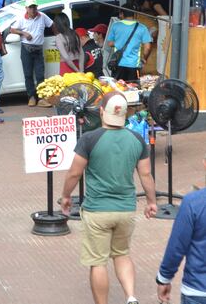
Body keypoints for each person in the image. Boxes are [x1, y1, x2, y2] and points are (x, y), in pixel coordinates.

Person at [61, 92, 157, 304]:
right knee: (122, 254)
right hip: (125, 210)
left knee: (98, 262)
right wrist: (151, 202)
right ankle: (131, 297)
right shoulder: (137, 139)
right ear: (125, 113)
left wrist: (66, 196)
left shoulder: (89, 139)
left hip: (97, 211)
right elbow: (145, 174)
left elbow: (74, 173)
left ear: (101, 111)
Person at [156, 154, 206, 304]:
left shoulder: (192, 202)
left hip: (197, 289)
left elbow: (177, 245)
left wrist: (164, 278)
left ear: (205, 164)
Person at [10, 0, 53, 107]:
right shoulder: (21, 18)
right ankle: (31, 97)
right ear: (26, 8)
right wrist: (23, 33)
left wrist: (59, 37)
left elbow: (52, 25)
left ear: (36, 7)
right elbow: (12, 29)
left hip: (38, 49)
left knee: (40, 75)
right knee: (28, 74)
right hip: (26, 49)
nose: (33, 9)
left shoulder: (42, 16)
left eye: (34, 7)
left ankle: (41, 98)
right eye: (30, 7)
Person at [106, 5, 152, 81]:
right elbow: (147, 48)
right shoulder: (142, 27)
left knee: (118, 86)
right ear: (134, 14)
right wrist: (144, 59)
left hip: (118, 63)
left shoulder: (115, 26)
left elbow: (110, 43)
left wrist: (119, 43)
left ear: (122, 14)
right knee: (133, 86)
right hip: (134, 65)